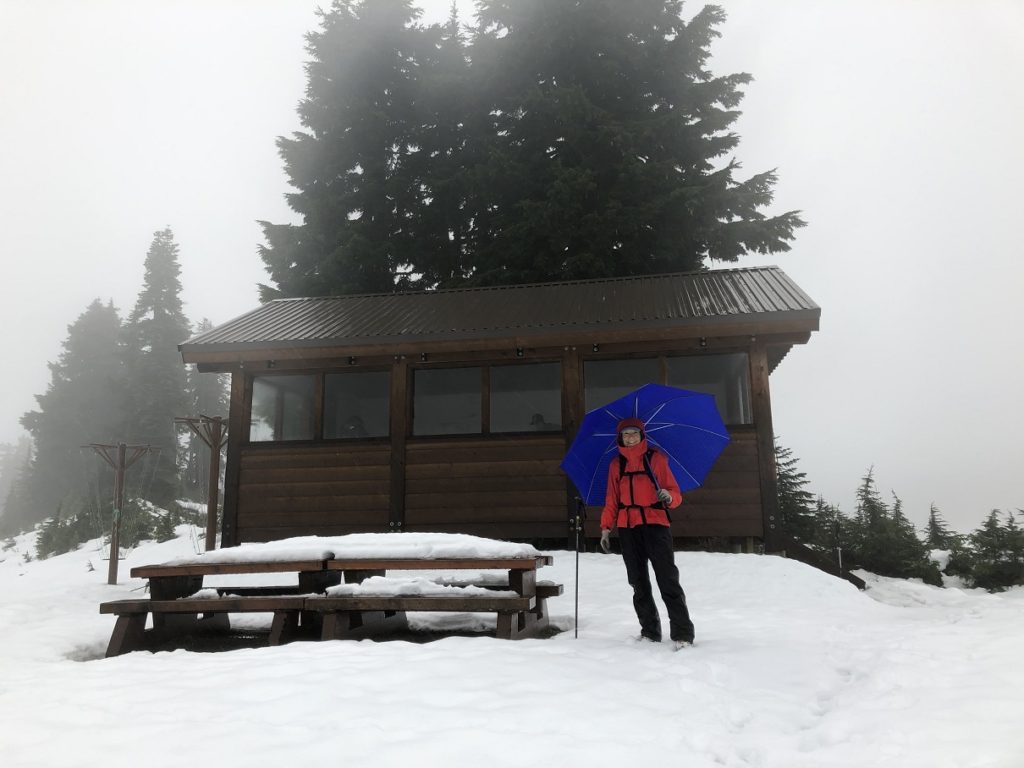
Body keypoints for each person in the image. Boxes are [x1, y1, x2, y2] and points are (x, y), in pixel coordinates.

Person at [599, 417, 696, 648]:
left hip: (655, 524)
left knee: (667, 579)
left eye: (634, 433)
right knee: (638, 582)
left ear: (642, 435)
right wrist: (605, 528)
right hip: (627, 527)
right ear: (619, 438)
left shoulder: (657, 459)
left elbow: (675, 492)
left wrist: (669, 496)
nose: (630, 438)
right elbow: (612, 499)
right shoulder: (616, 465)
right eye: (625, 434)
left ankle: (683, 633)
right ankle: (650, 631)